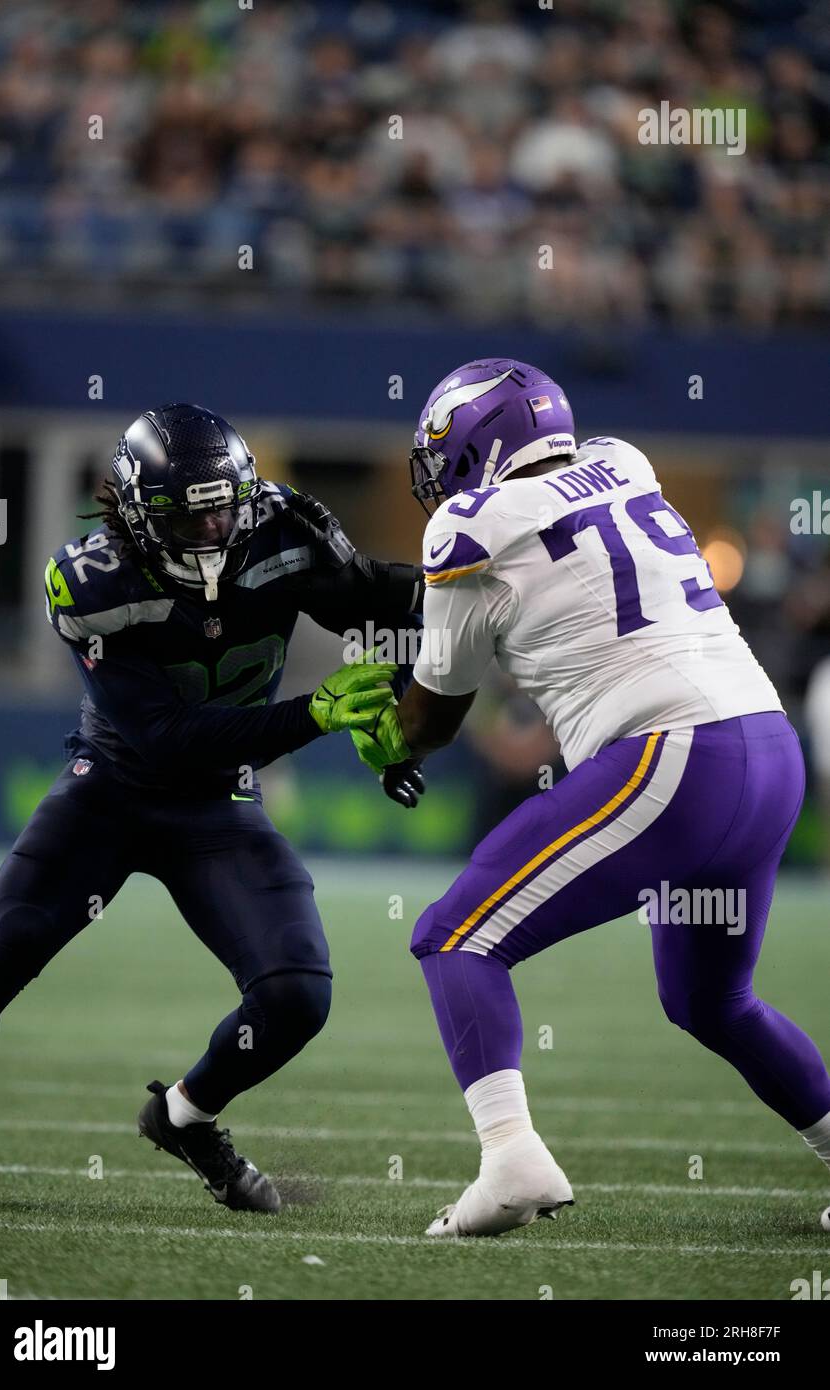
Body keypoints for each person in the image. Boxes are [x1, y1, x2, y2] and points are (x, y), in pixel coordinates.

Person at [351, 358, 830, 1237]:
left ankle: (510, 1157)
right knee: (710, 1001)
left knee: (456, 934)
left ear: (475, 445)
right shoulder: (626, 461)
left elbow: (431, 721)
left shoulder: (469, 525)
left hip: (676, 758)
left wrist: (382, 730)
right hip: (768, 747)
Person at [0, 402, 418, 1213]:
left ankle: (184, 1117)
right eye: (193, 510)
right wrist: (315, 714)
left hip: (217, 808)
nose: (217, 523)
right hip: (108, 792)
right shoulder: (94, 581)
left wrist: (423, 690)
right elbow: (168, 737)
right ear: (142, 515)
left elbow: (385, 606)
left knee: (295, 996)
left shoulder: (280, 531)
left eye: (226, 502)